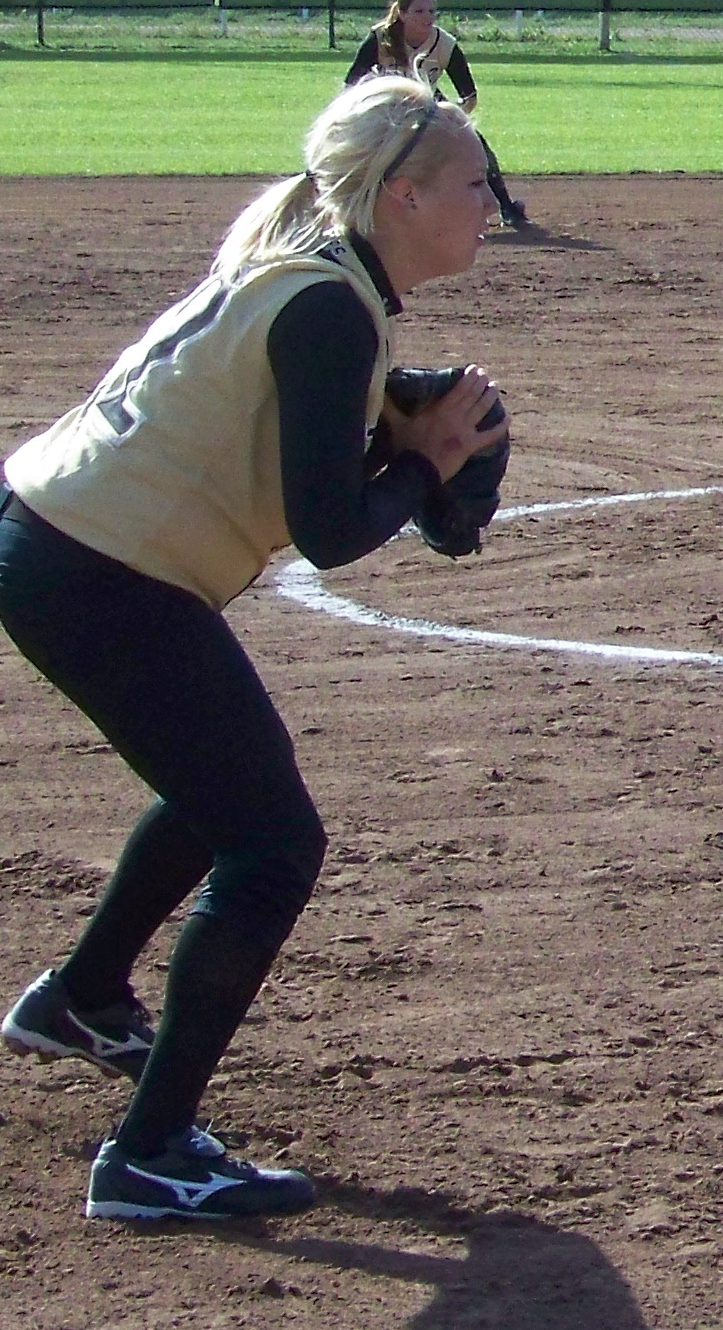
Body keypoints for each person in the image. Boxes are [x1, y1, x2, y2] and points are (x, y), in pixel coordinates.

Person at [0, 77, 510, 1220]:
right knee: (272, 843)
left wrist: (398, 439)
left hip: (60, 543)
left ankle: (82, 998)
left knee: (220, 789)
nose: (491, 203)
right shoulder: (330, 307)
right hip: (98, 573)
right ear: (403, 194)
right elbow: (329, 530)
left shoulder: (322, 278)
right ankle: (149, 1156)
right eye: (474, 184)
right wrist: (423, 465)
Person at [347, 0, 531, 231]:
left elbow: (469, 95)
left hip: (426, 105)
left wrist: (452, 121)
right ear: (402, 14)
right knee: (349, 149)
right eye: (419, 11)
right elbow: (350, 84)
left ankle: (506, 207)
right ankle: (335, 203)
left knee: (476, 146)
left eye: (432, 11)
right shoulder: (380, 38)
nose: (428, 17)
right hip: (386, 106)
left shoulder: (444, 44)